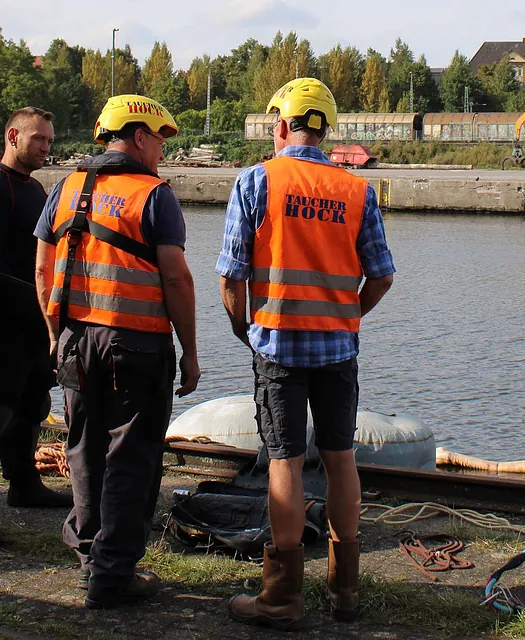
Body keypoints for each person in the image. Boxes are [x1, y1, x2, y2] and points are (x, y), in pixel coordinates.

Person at [217, 78, 395, 630]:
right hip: (337, 349)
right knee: (341, 458)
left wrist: (245, 327)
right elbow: (382, 276)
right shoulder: (356, 190)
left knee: (285, 460)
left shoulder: (255, 181)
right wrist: (346, 316)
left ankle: (282, 596)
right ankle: (345, 591)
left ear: (280, 126)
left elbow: (231, 276)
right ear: (325, 129)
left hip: (277, 347)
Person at [34, 94, 200, 609]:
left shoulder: (65, 188)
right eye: (160, 141)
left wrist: (54, 334)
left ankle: (90, 559)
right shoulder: (153, 196)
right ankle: (112, 577)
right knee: (132, 457)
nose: (163, 153)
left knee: (83, 448)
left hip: (75, 341)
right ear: (140, 136)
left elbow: (42, 269)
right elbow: (175, 277)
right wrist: (191, 351)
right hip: (137, 344)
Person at [0, 106, 72, 508]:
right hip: (7, 324)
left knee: (32, 402)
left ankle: (24, 484)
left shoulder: (36, 190)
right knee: (4, 405)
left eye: (49, 140)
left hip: (33, 325)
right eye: (38, 139)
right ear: (13, 138)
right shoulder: (1, 185)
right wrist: (35, 303)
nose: (46, 147)